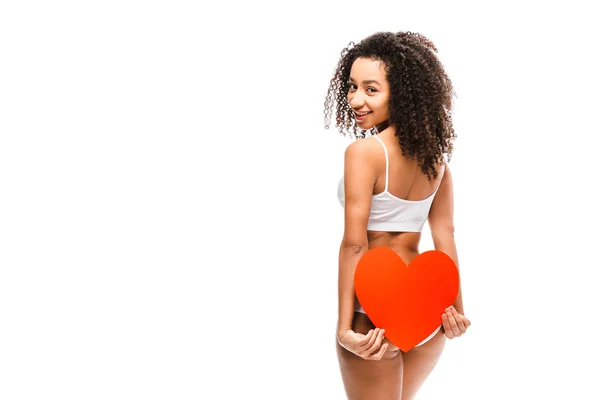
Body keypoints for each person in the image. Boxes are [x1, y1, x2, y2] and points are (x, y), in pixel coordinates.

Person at [324, 31, 471, 399]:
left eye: (371, 89)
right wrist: (456, 313)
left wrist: (345, 329)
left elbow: (355, 246)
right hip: (429, 314)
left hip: (372, 315)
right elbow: (445, 237)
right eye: (352, 86)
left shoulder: (365, 153)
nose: (355, 99)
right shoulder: (437, 164)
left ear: (402, 94)